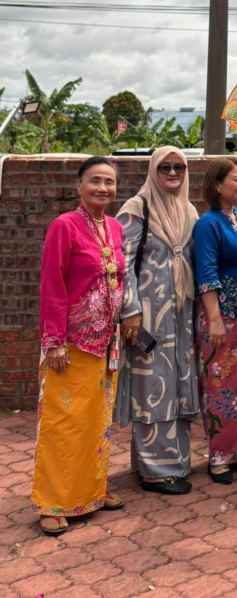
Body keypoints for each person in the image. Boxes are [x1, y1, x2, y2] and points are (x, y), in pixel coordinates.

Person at [31, 156, 126, 536]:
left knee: (96, 423)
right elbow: (52, 285)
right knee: (64, 423)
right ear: (79, 186)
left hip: (106, 343)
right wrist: (54, 342)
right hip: (71, 344)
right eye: (95, 180)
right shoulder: (64, 226)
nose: (103, 188)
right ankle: (52, 501)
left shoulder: (114, 227)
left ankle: (91, 491)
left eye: (109, 182)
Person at [115, 147, 199, 495]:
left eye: (179, 167)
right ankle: (156, 472)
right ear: (153, 170)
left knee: (177, 384)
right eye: (164, 167)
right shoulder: (136, 209)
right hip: (148, 315)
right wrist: (130, 311)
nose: (172, 172)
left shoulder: (189, 211)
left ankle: (168, 463)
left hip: (181, 316)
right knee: (151, 389)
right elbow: (122, 265)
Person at [193, 157, 237, 484]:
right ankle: (219, 457)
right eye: (235, 179)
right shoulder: (207, 224)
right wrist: (215, 319)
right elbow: (206, 274)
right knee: (220, 386)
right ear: (217, 185)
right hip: (222, 316)